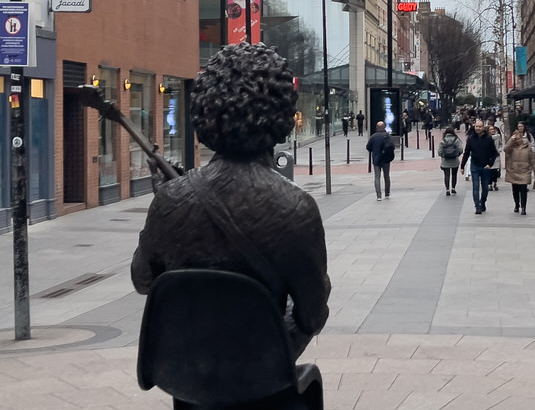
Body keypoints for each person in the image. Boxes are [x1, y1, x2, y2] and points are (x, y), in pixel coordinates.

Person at [132, 44, 329, 359]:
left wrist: (166, 205)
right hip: (263, 376)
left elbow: (143, 280)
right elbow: (313, 315)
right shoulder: (297, 208)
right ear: (282, 115)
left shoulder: (171, 198)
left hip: (185, 374)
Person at [461, 119, 500, 214]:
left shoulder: (488, 139)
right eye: (476, 126)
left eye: (480, 126)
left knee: (485, 187)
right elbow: (466, 153)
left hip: (485, 166)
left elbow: (494, 153)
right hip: (475, 165)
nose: (478, 128)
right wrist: (462, 166)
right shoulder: (470, 138)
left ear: (483, 128)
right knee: (475, 186)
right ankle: (477, 206)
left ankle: (483, 202)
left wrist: (490, 164)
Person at [503, 123, 535, 215]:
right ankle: (516, 205)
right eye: (516, 138)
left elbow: (533, 160)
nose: (517, 139)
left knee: (523, 190)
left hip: (524, 171)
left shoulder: (527, 147)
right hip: (513, 171)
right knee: (515, 190)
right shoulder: (511, 148)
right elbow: (505, 149)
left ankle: (523, 207)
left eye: (518, 138)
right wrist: (511, 139)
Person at [367, 123, 395, 199]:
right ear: (384, 127)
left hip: (376, 159)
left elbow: (368, 147)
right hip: (386, 159)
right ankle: (387, 193)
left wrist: (374, 150)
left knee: (377, 177)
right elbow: (392, 146)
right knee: (386, 176)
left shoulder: (373, 137)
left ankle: (378, 195)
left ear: (376, 127)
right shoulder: (387, 136)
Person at [438, 126, 463, 194]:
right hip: (455, 161)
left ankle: (447, 189)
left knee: (446, 175)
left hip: (445, 161)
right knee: (454, 175)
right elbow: (461, 149)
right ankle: (453, 188)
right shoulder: (456, 140)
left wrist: (444, 156)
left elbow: (439, 152)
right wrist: (456, 155)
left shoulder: (443, 141)